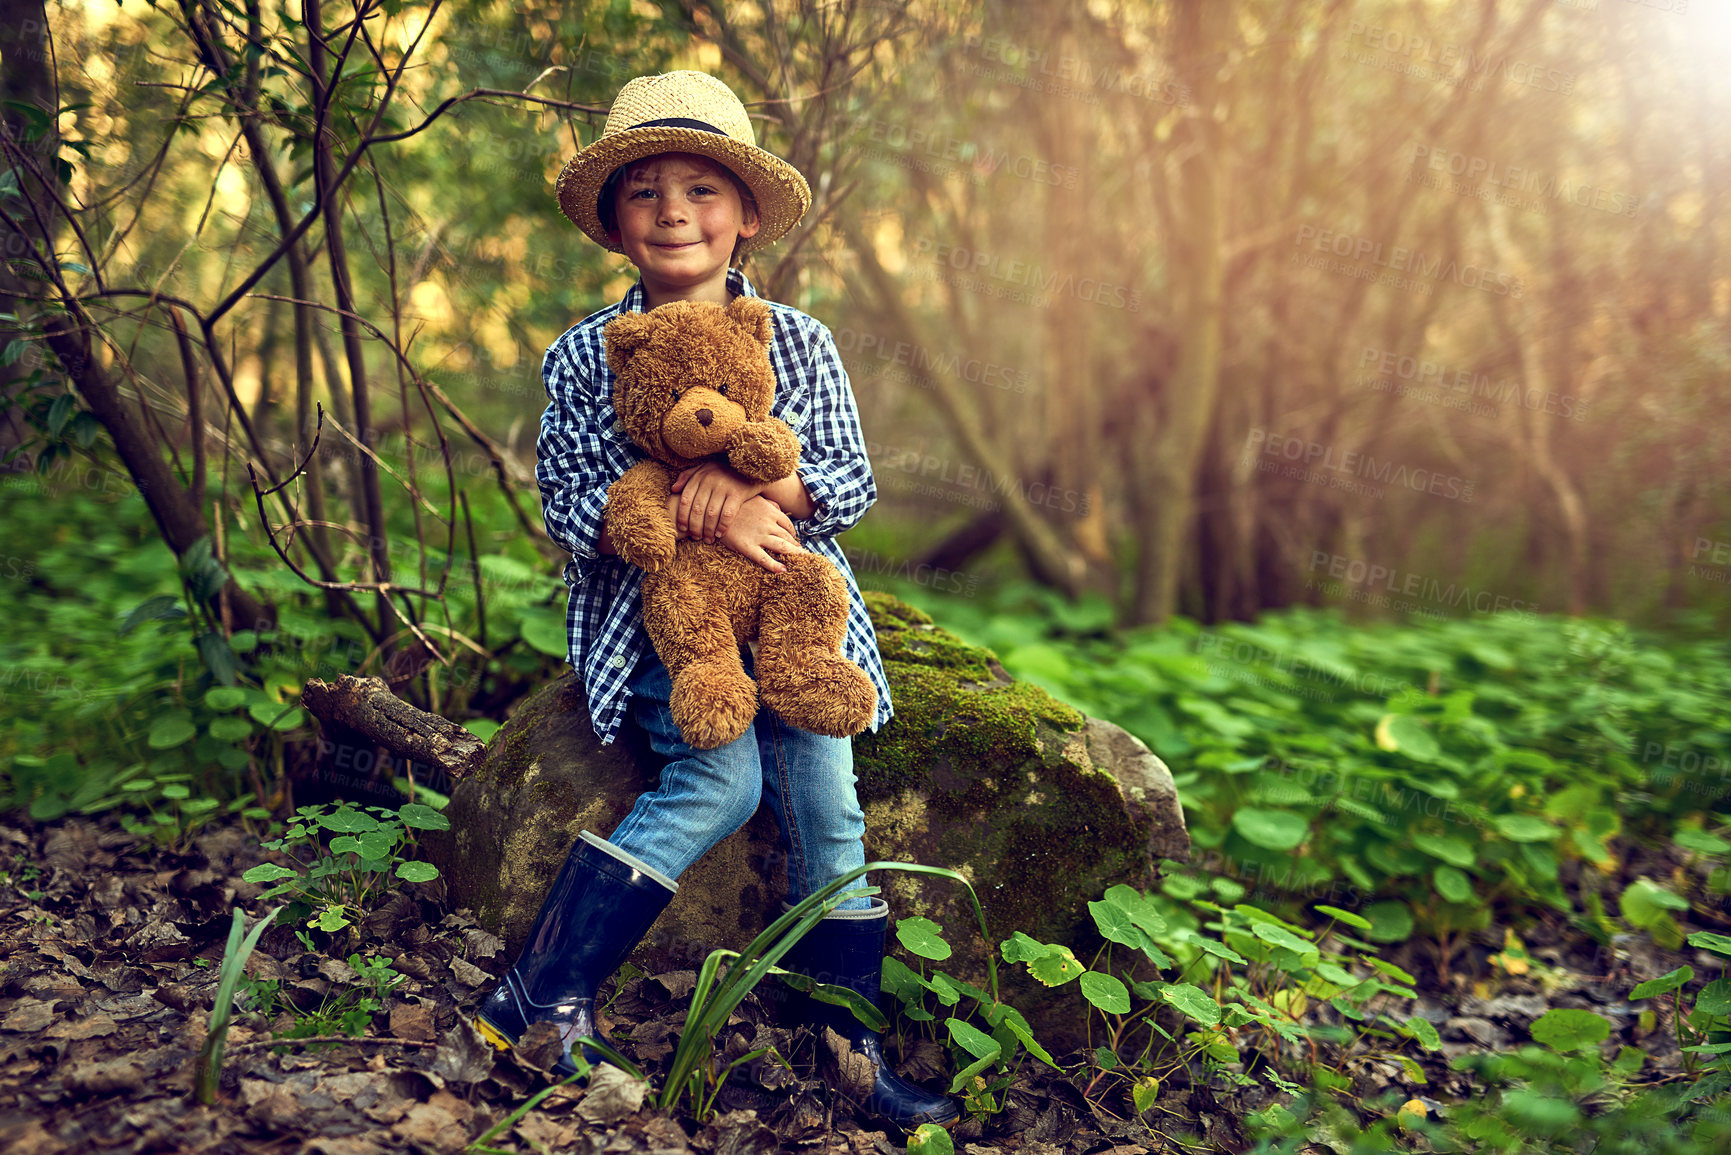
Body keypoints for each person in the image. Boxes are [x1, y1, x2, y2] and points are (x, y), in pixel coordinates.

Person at [468, 70, 958, 1133]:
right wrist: (702, 519)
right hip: (661, 627)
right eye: (645, 192)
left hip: (796, 618)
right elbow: (568, 501)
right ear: (614, 223)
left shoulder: (803, 341)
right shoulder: (583, 356)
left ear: (743, 218)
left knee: (830, 808)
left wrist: (754, 490)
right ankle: (539, 993)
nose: (674, 212)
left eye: (700, 190)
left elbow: (850, 484)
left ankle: (847, 1047)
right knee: (726, 780)